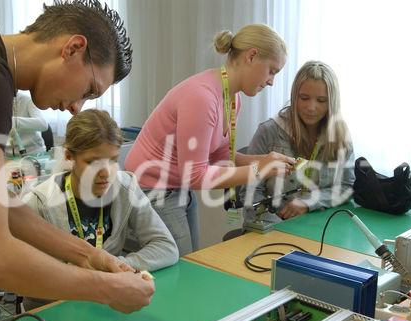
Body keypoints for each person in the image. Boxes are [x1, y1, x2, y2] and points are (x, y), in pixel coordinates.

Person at [0, 0, 154, 321]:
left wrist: (90, 254)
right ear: (72, 48)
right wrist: (108, 288)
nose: (77, 108)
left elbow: (1, 204)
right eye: (89, 90)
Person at [125, 24, 295, 256]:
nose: (271, 81)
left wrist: (266, 160)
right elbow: (195, 175)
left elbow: (221, 158)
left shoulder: (233, 98)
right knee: (182, 268)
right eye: (272, 71)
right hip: (153, 187)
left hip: (177, 186)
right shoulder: (202, 97)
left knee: (192, 260)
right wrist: (259, 170)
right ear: (252, 56)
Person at [24, 109, 179, 271]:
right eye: (93, 162)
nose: (106, 173)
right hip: (61, 294)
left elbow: (166, 246)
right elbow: (23, 273)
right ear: (69, 156)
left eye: (113, 160)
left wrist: (116, 264)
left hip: (107, 290)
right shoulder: (39, 203)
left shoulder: (125, 187)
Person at [240, 61, 354, 226]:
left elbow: (345, 187)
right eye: (304, 98)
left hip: (319, 227)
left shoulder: (340, 135)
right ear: (294, 96)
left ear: (331, 103)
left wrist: (309, 203)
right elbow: (250, 194)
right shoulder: (269, 131)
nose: (311, 107)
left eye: (321, 100)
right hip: (272, 228)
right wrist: (275, 227)